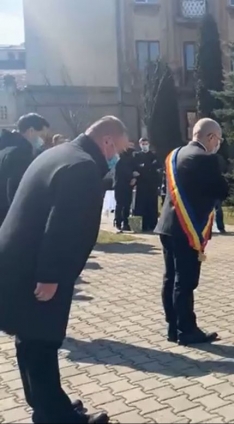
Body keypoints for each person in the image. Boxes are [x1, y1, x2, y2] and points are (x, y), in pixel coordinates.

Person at [0, 116, 131, 424]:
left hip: (18, 262)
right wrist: (50, 276)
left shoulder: (58, 154)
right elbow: (62, 228)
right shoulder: (82, 166)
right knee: (42, 340)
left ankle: (47, 403)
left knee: (31, 338)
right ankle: (53, 416)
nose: (118, 158)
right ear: (107, 141)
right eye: (120, 150)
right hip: (36, 268)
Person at [154, 118, 229, 346]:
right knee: (185, 281)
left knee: (170, 278)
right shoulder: (206, 159)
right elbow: (222, 190)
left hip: (167, 226)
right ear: (210, 137)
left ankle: (173, 327)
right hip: (186, 228)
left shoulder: (175, 154)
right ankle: (187, 330)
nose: (219, 144)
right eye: (219, 139)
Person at [0, 113, 50, 226]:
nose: (43, 141)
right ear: (31, 131)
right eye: (42, 135)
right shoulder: (20, 154)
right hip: (7, 217)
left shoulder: (5, 148)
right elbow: (16, 191)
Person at [133, 138, 161, 232]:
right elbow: (136, 167)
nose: (144, 145)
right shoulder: (137, 155)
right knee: (141, 204)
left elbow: (156, 168)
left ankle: (152, 224)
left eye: (146, 143)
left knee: (152, 204)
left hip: (152, 184)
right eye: (142, 144)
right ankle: (143, 225)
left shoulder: (153, 155)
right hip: (141, 184)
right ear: (140, 145)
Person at [113, 147, 137, 232]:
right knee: (120, 204)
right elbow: (125, 172)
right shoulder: (121, 162)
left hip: (127, 186)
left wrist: (133, 178)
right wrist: (132, 175)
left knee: (127, 205)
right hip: (120, 186)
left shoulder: (129, 163)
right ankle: (118, 222)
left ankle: (125, 223)